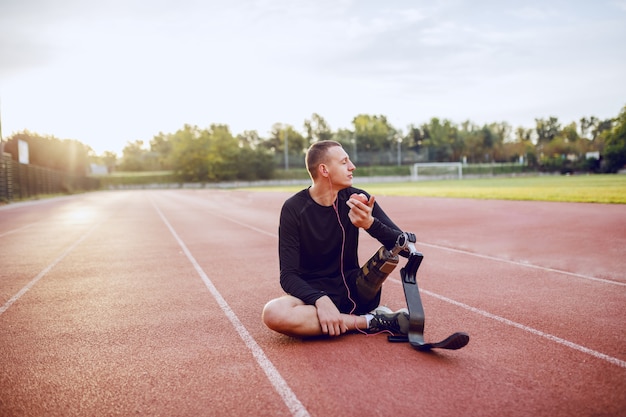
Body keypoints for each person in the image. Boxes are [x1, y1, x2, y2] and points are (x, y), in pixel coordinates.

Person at [262, 140, 410, 338]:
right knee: (273, 313)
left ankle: (350, 319)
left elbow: (408, 248)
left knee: (388, 255)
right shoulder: (294, 208)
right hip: (312, 297)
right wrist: (320, 300)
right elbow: (288, 276)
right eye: (344, 162)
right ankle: (372, 321)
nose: (352, 167)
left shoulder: (358, 199)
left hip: (357, 292)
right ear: (324, 170)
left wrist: (370, 224)